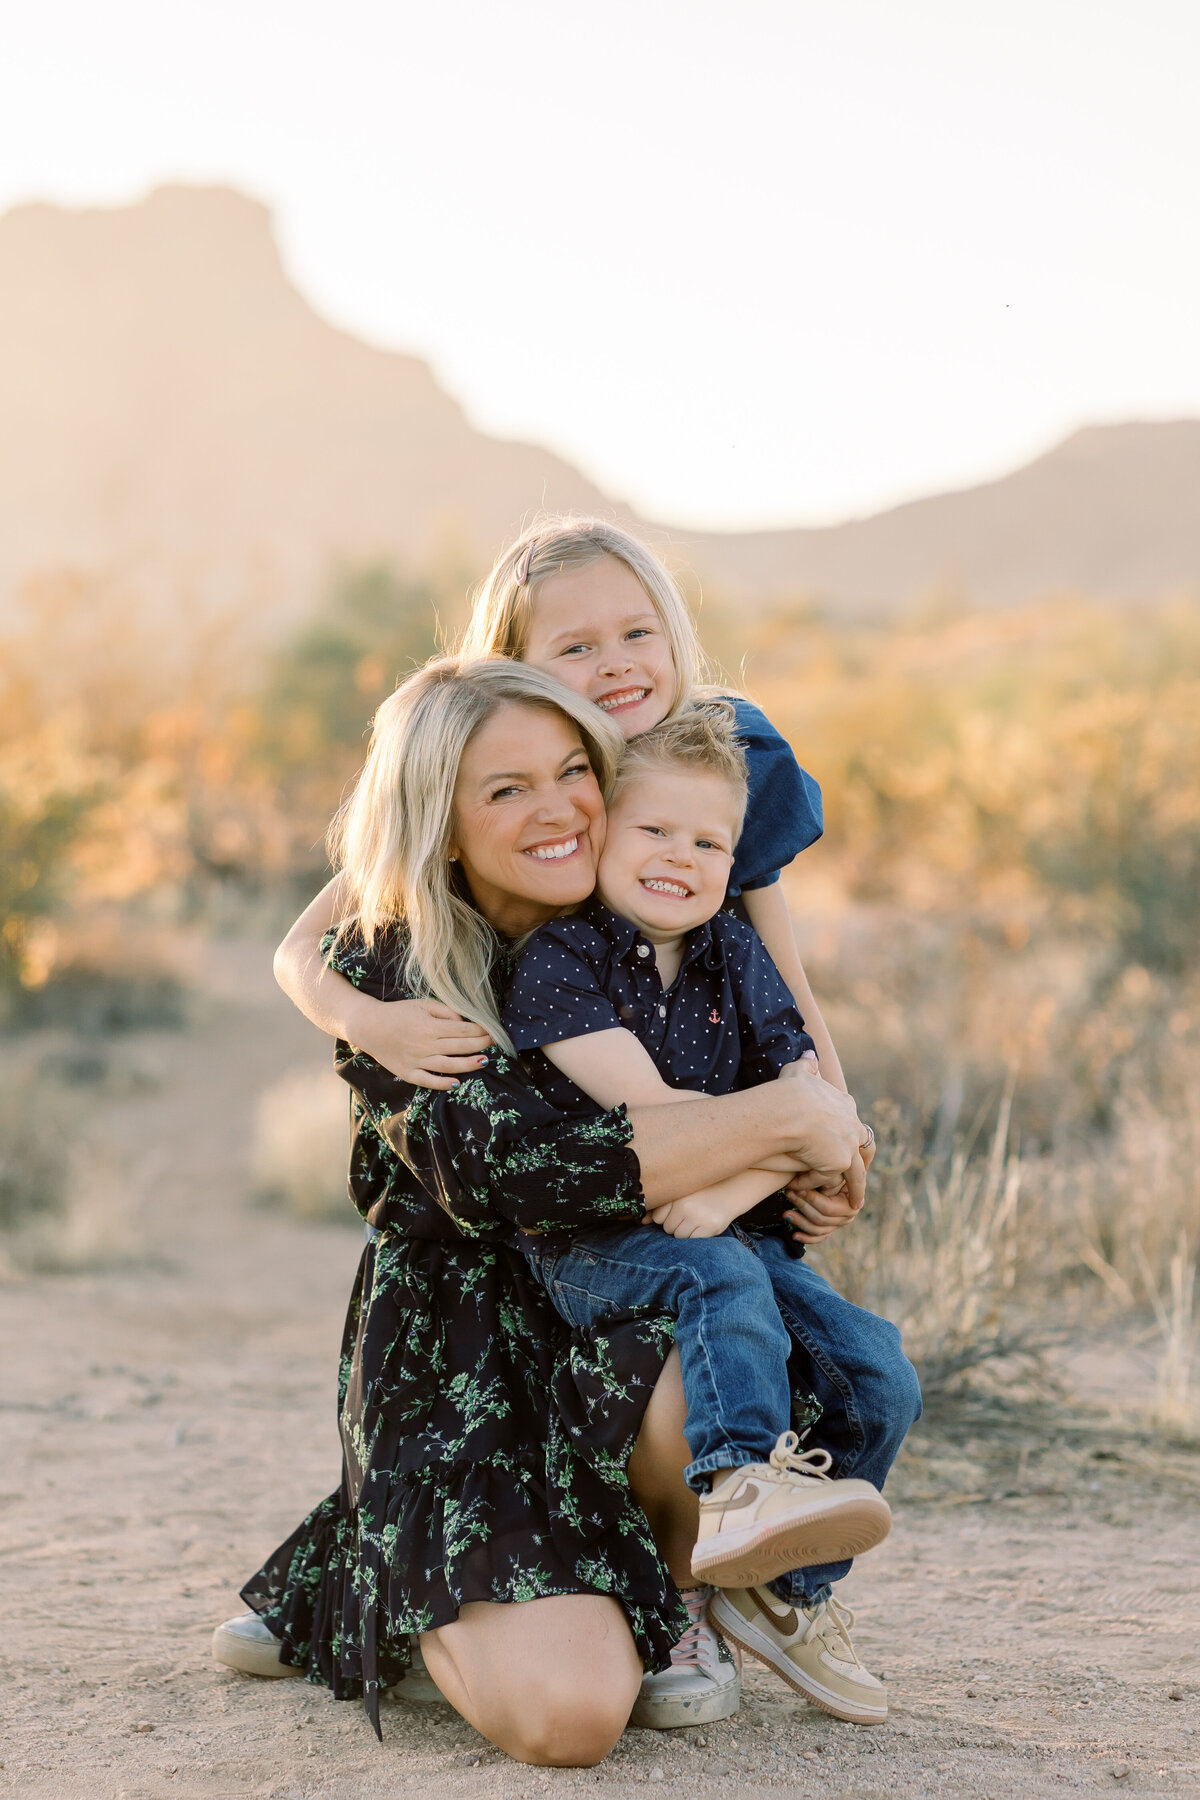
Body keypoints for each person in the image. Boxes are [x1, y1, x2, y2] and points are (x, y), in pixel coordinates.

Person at [214, 658, 872, 1766]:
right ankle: (381, 1592)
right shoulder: (394, 962)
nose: (557, 807)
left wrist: (815, 1134)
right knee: (570, 1722)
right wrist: (791, 1120)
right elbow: (524, 1172)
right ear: (446, 823)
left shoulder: (666, 934)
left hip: (618, 1314)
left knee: (722, 1325)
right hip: (463, 1363)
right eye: (504, 789)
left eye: (574, 770)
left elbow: (768, 1091)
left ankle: (682, 1601)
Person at [503, 704, 918, 1724]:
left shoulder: (736, 952)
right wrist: (764, 1152)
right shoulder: (561, 962)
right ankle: (736, 1495)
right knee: (724, 1276)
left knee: (880, 1369)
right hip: (596, 1242)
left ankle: (779, 1589)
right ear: (605, 832)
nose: (680, 859)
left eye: (710, 843)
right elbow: (659, 1118)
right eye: (655, 832)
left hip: (715, 1223)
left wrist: (734, 1187)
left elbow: (807, 1100)